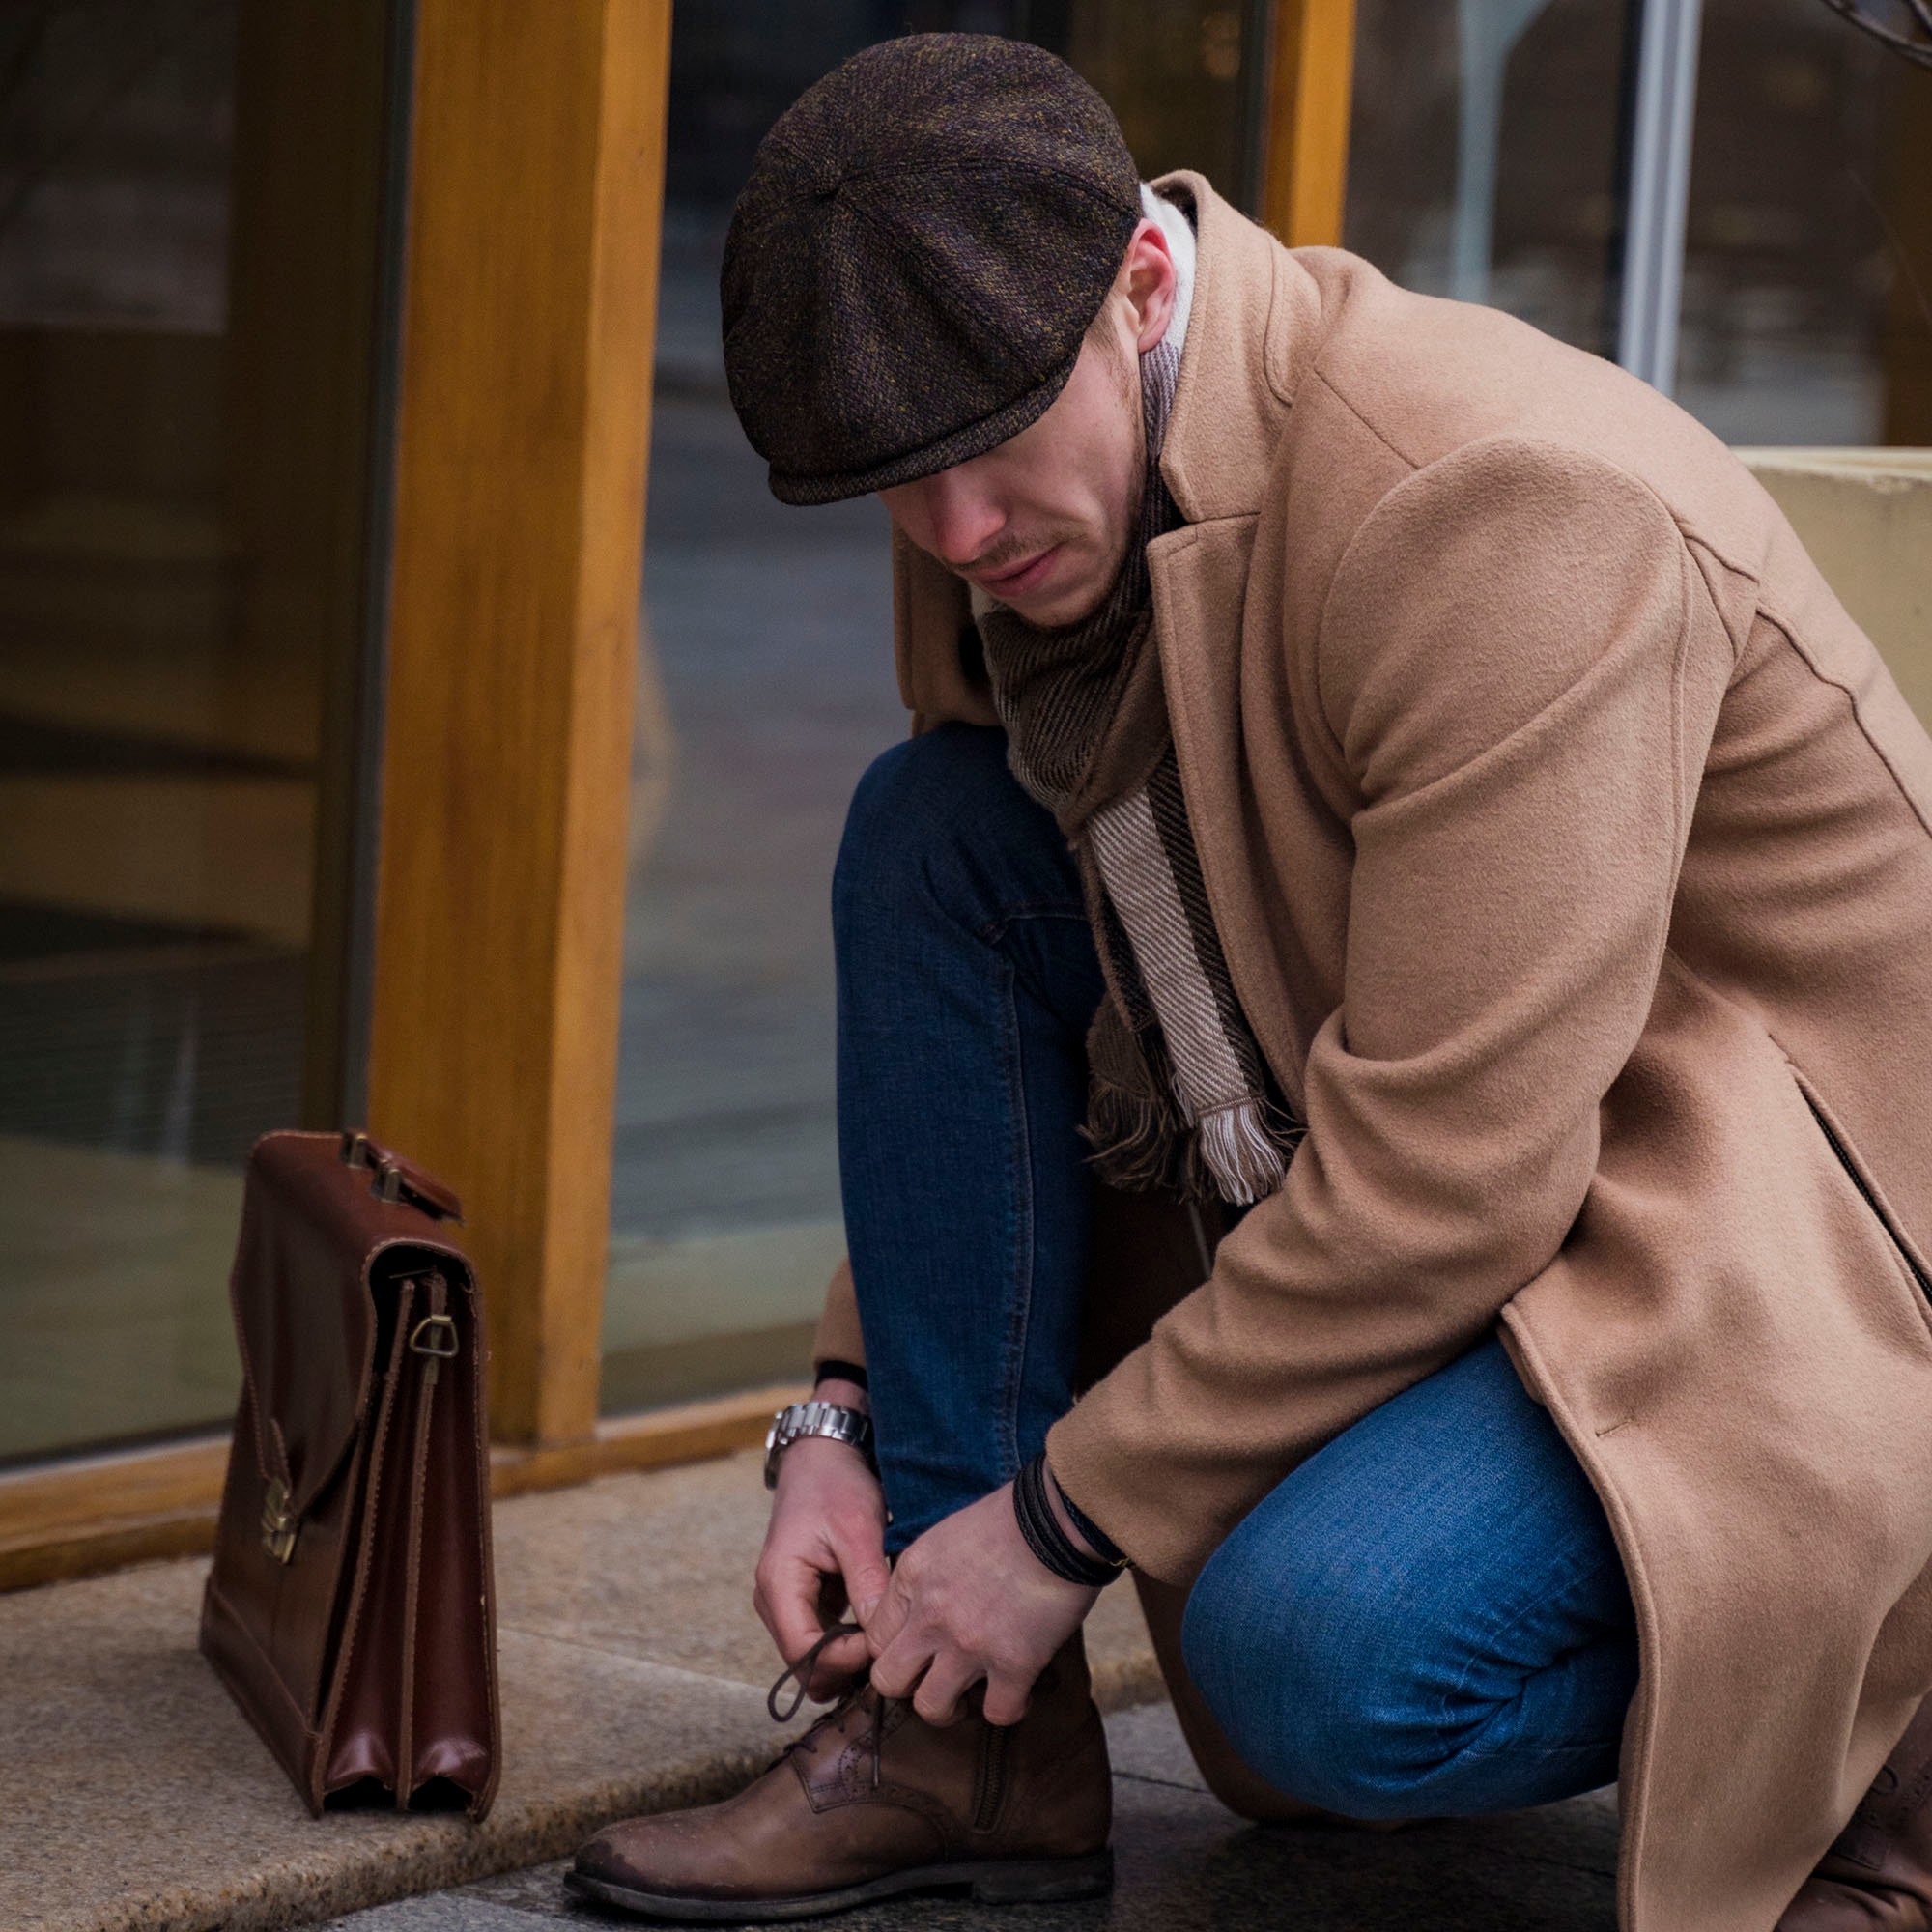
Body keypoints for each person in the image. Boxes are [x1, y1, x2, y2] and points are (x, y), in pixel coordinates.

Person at [569, 34, 1932, 1932]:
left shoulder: (1491, 501)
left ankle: (1878, 1678)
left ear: (1140, 279)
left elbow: (1454, 1171)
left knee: (1328, 1665)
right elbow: (1011, 1020)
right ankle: (966, 1734)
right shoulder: (1015, 483)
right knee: (935, 832)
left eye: (981, 454)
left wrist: (1051, 1526)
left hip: (1754, 1262)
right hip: (1434, 1166)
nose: (955, 535)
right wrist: (848, 1426)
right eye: (899, 487)